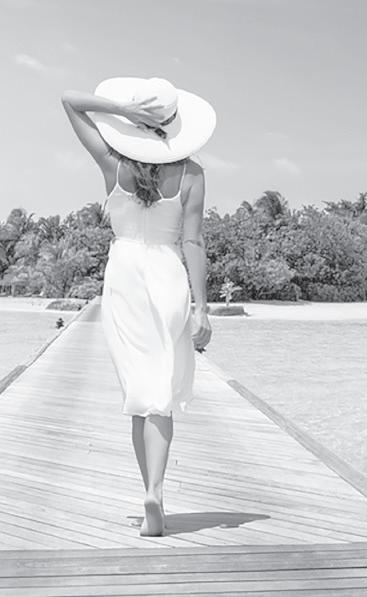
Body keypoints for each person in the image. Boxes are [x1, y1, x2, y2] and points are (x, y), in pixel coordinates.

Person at [61, 77, 216, 536]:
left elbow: (70, 100)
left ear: (137, 121)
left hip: (125, 275)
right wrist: (202, 308)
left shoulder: (112, 163)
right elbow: (193, 242)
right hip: (168, 274)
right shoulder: (192, 174)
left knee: (138, 392)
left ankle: (149, 491)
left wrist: (123, 112)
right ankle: (156, 490)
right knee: (160, 393)